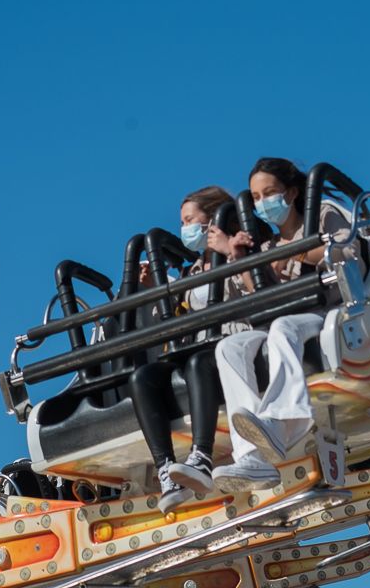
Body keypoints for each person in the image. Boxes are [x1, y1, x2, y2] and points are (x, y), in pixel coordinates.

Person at [211, 158, 355, 491]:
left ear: (290, 192)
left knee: (283, 330)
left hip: (329, 311)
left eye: (269, 194)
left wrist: (296, 253)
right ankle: (251, 455)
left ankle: (279, 424)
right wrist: (239, 257)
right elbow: (256, 293)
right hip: (283, 313)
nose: (263, 204)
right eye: (256, 198)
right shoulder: (268, 247)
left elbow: (344, 249)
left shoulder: (322, 213)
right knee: (229, 347)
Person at [127, 186, 247, 514]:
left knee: (198, 364)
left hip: (232, 344)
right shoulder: (193, 271)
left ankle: (201, 457)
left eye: (190, 220)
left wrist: (232, 255)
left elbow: (254, 288)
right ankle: (167, 468)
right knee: (143, 377)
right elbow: (181, 314)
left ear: (212, 219)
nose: (185, 229)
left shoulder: (238, 247)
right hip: (197, 345)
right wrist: (157, 287)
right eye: (182, 223)